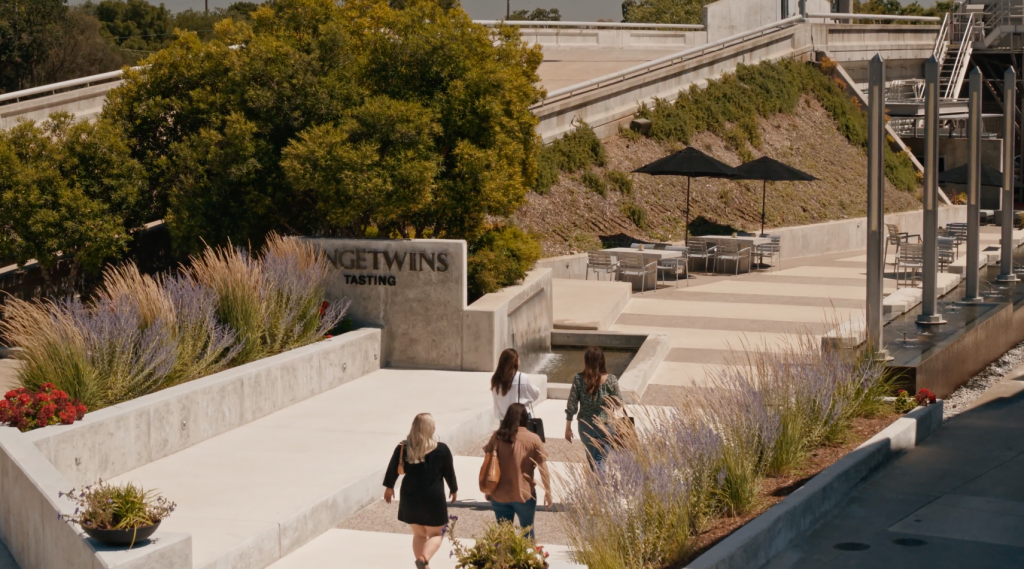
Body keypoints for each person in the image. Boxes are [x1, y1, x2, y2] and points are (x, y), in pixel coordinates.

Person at [383, 413, 457, 569]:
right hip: (433, 497)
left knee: (419, 534)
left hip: (410, 497)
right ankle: (424, 559)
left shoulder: (404, 447)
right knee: (437, 533)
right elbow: (449, 472)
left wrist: (389, 487)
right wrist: (453, 489)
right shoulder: (441, 449)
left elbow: (392, 469)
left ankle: (423, 565)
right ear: (429, 428)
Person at [484, 402, 552, 539]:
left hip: (499, 494)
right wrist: (548, 491)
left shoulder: (497, 437)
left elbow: (488, 462)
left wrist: (488, 488)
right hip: (524, 494)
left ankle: (504, 560)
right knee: (527, 534)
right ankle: (528, 559)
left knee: (503, 537)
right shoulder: (533, 439)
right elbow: (542, 467)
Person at [565, 346, 622, 468]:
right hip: (606, 425)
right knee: (600, 460)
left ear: (586, 361)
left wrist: (568, 428)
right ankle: (599, 485)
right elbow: (619, 403)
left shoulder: (579, 379)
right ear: (602, 361)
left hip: (585, 425)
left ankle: (595, 485)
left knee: (592, 461)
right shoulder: (611, 380)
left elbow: (572, 405)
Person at [491, 348, 540, 421]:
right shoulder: (522, 377)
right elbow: (536, 393)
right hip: (521, 418)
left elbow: (496, 402)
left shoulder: (496, 379)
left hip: (504, 420)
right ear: (516, 362)